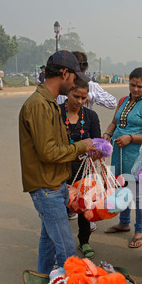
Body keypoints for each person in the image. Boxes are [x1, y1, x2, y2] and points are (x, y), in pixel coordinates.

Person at [19, 50, 97, 275]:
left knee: (49, 241)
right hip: (46, 187)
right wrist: (82, 145)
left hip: (54, 184)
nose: (74, 83)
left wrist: (84, 150)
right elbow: (48, 152)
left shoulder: (49, 103)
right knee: (67, 248)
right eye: (74, 77)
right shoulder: (39, 105)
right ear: (64, 73)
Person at [103, 67, 142, 248]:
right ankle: (124, 222)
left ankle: (140, 230)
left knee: (139, 194)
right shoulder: (123, 100)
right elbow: (114, 122)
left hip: (137, 157)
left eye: (140, 86)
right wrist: (107, 134)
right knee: (121, 187)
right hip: (119, 153)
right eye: (132, 85)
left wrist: (131, 138)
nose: (135, 89)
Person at [59, 79, 101, 259]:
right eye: (76, 96)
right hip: (60, 170)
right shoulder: (56, 113)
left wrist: (98, 151)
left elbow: (98, 143)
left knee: (85, 208)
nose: (79, 101)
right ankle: (61, 244)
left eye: (84, 97)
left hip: (84, 170)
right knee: (60, 210)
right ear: (68, 93)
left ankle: (84, 241)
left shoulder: (91, 116)